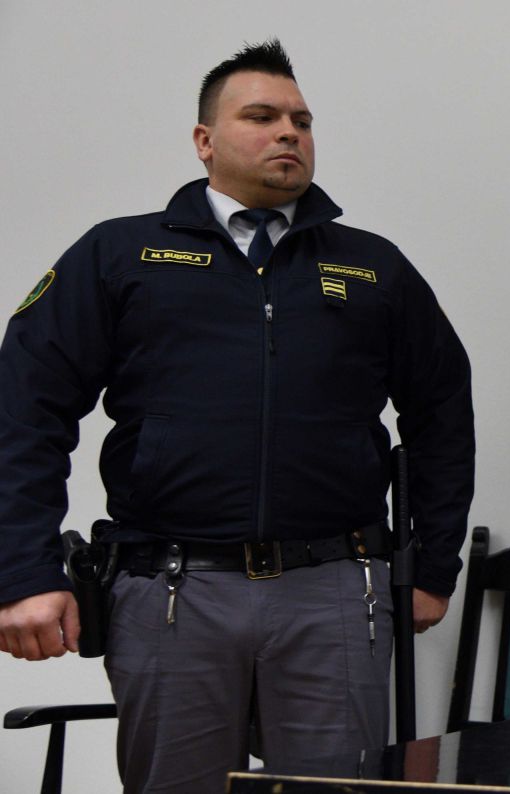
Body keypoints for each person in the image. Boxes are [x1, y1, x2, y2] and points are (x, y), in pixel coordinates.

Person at [0, 40, 474, 792]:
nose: (288, 132)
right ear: (205, 140)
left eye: (301, 121)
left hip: (334, 592)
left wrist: (433, 565)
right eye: (261, 116)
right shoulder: (122, 254)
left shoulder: (372, 267)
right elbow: (24, 408)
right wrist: (23, 570)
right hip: (172, 590)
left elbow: (443, 413)